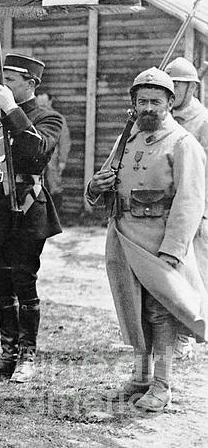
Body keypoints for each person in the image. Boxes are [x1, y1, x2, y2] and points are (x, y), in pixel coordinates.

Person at [86, 67, 207, 411]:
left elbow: (190, 201)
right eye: (142, 101)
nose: (149, 108)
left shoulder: (183, 143)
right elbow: (103, 178)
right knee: (133, 308)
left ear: (171, 102)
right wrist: (95, 186)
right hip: (124, 237)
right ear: (134, 105)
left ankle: (163, 385)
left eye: (156, 101)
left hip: (158, 242)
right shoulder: (128, 138)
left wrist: (173, 249)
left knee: (161, 312)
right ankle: (140, 378)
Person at [0, 54, 64, 383]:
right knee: (0, 282)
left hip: (27, 209)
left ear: (31, 84)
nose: (2, 85)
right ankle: (8, 352)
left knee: (24, 280)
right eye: (3, 79)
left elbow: (36, 154)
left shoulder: (49, 118)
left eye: (10, 80)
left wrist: (12, 109)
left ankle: (27, 354)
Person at [164, 56, 208, 361]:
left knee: (195, 276)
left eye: (177, 85)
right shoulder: (161, 119)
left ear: (192, 87)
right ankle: (171, 332)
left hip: (196, 209)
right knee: (168, 275)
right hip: (165, 210)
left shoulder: (203, 121)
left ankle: (186, 335)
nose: (172, 90)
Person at [35, 92, 71, 215]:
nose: (42, 106)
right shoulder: (33, 117)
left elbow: (65, 141)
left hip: (52, 160)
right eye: (40, 103)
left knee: (54, 186)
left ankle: (55, 217)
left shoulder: (58, 118)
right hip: (36, 159)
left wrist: (62, 160)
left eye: (45, 103)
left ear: (50, 102)